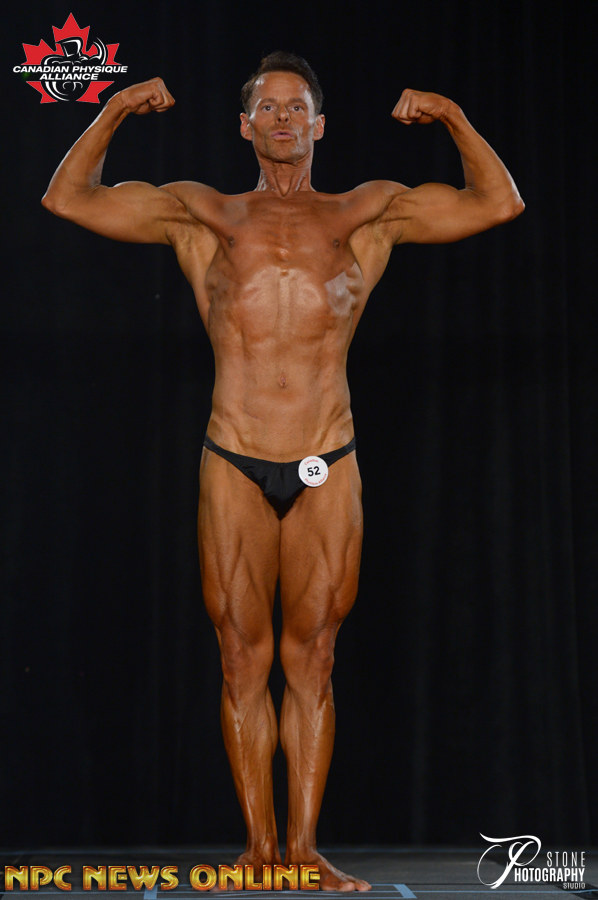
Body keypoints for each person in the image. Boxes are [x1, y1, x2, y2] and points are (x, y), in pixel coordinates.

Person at [42, 52, 524, 891]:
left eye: (296, 106)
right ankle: (257, 852)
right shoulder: (206, 214)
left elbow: (498, 202)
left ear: (320, 124)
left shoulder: (364, 214)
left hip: (326, 457)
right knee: (240, 659)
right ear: (244, 125)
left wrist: (450, 114)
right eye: (267, 107)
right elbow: (68, 198)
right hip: (233, 456)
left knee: (315, 659)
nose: (282, 118)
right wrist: (114, 108)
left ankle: (303, 854)